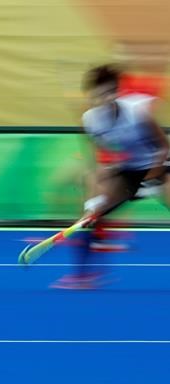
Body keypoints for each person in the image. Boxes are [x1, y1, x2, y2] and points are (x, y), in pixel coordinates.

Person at [52, 64, 169, 289]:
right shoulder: (90, 121)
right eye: (99, 94)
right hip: (130, 168)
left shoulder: (138, 112)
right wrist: (93, 202)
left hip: (162, 164)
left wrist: (152, 178)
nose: (105, 98)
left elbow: (164, 147)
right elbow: (95, 165)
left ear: (117, 92)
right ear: (91, 95)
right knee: (91, 216)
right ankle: (84, 276)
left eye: (110, 92)